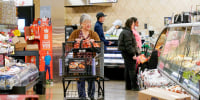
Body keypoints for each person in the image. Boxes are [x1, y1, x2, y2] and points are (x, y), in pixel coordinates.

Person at [67, 14, 100, 99]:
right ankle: (82, 97)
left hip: (90, 60)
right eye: (86, 23)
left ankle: (91, 95)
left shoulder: (93, 34)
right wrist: (75, 41)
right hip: (78, 61)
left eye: (89, 22)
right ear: (81, 24)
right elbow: (68, 43)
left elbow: (99, 44)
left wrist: (94, 42)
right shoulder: (75, 33)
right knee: (80, 79)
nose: (88, 24)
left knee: (91, 79)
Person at [118, 17, 140, 91]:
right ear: (130, 24)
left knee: (127, 69)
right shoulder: (127, 32)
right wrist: (133, 54)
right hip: (128, 53)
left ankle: (128, 86)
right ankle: (134, 86)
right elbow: (128, 45)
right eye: (133, 24)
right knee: (132, 70)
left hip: (126, 53)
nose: (134, 25)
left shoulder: (126, 31)